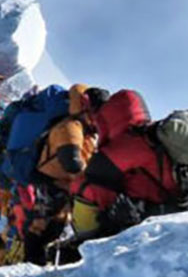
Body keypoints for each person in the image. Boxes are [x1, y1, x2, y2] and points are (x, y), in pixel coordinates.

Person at [70, 90, 180, 240]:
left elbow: (96, 170)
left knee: (84, 186)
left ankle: (83, 241)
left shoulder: (129, 142)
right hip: (165, 203)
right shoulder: (149, 134)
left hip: (153, 209)